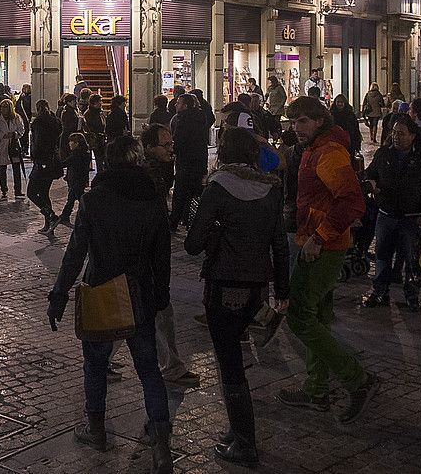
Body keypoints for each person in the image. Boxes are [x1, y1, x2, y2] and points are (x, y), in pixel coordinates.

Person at [48, 136, 173, 473]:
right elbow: (163, 258)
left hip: (102, 290)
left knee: (95, 364)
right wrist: (161, 296)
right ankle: (162, 445)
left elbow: (74, 253)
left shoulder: (93, 200)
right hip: (141, 295)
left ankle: (97, 429)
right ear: (138, 162)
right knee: (149, 370)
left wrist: (59, 294)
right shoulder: (153, 200)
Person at [186, 127, 289, 465]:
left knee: (229, 362)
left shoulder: (217, 188)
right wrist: (282, 291)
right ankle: (236, 429)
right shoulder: (271, 190)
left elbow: (193, 244)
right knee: (236, 359)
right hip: (258, 286)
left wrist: (207, 225)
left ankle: (245, 442)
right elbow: (279, 245)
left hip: (223, 283)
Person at [277, 97, 377, 423]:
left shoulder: (328, 153)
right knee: (316, 316)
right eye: (293, 122)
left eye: (303, 121)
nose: (296, 128)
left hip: (323, 247)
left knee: (299, 317)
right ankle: (316, 388)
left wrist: (319, 237)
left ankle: (357, 380)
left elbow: (352, 203)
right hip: (315, 242)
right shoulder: (314, 150)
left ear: (319, 120)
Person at [360, 114, 421, 312]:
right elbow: (371, 173)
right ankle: (379, 291)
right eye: (394, 133)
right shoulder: (384, 154)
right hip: (386, 214)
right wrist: (371, 182)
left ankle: (412, 296)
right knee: (382, 256)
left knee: (412, 259)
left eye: (401, 133)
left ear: (413, 135)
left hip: (413, 218)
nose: (396, 137)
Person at [142, 123, 201, 389]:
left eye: (171, 144)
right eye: (165, 145)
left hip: (151, 254)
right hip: (147, 256)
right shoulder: (146, 176)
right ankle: (172, 367)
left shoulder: (159, 171)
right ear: (149, 148)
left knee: (139, 311)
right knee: (157, 311)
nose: (171, 149)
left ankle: (101, 356)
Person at [170, 93, 209, 232]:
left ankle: (174, 222)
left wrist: (172, 151)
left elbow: (179, 141)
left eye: (179, 103)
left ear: (185, 106)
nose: (176, 105)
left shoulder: (183, 120)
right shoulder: (201, 117)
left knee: (180, 193)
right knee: (196, 192)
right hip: (199, 160)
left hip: (186, 161)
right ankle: (193, 221)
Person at [26, 100, 63, 233]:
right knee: (44, 192)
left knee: (31, 192)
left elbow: (38, 142)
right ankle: (49, 223)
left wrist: (34, 155)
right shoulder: (55, 121)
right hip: (53, 161)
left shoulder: (39, 123)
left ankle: (51, 216)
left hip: (42, 161)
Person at [0, 98, 25, 201]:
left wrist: (14, 134)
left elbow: (21, 130)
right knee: (2, 168)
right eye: (2, 107)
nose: (4, 109)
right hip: (2, 145)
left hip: (13, 145)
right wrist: (2, 135)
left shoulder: (16, 118)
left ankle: (18, 190)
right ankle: (4, 190)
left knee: (16, 168)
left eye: (6, 107)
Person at [61, 132, 91, 227]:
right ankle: (64, 216)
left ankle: (89, 216)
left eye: (71, 141)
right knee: (71, 199)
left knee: (81, 199)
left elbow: (64, 163)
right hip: (79, 180)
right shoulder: (85, 152)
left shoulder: (77, 154)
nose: (69, 144)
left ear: (77, 143)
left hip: (76, 180)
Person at [83, 94, 107, 174]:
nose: (101, 103)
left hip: (100, 139)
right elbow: (89, 128)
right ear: (94, 103)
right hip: (94, 139)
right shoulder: (89, 114)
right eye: (99, 101)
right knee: (98, 159)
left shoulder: (100, 112)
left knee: (101, 159)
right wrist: (95, 135)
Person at [58, 93, 80, 158]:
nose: (76, 103)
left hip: (72, 135)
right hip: (68, 136)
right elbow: (67, 126)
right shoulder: (66, 112)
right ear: (69, 102)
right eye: (74, 101)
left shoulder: (74, 111)